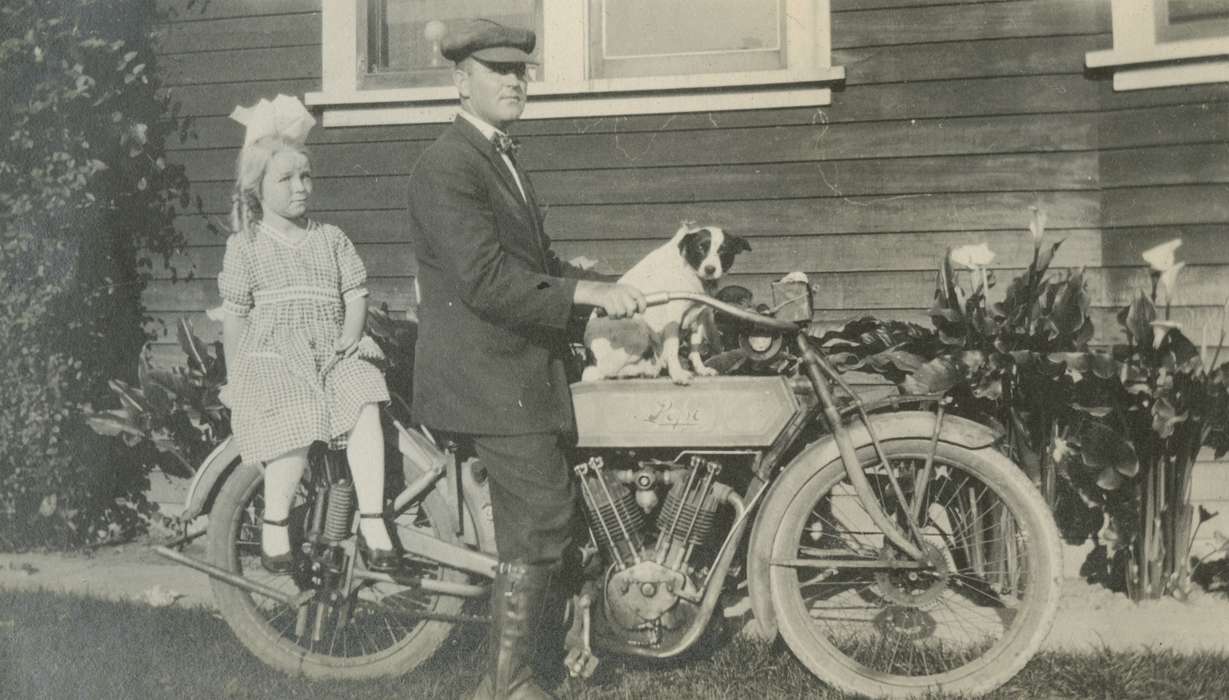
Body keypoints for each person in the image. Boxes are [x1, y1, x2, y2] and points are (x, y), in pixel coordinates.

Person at [406, 19, 646, 700]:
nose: (515, 81)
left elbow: (531, 265)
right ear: (461, 81)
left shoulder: (501, 158)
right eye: (497, 71)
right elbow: (484, 280)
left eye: (521, 71)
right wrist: (581, 292)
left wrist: (597, 284)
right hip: (487, 374)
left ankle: (540, 663)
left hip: (519, 369)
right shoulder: (448, 164)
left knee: (550, 518)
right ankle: (507, 685)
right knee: (540, 518)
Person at [218, 95, 400, 575]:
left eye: (306, 177)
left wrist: (350, 336)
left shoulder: (330, 237)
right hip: (276, 355)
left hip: (333, 347)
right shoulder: (247, 247)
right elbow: (236, 318)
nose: (300, 188)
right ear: (257, 189)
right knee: (295, 418)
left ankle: (373, 516)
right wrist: (236, 379)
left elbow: (355, 293)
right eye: (286, 179)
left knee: (364, 400)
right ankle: (276, 522)